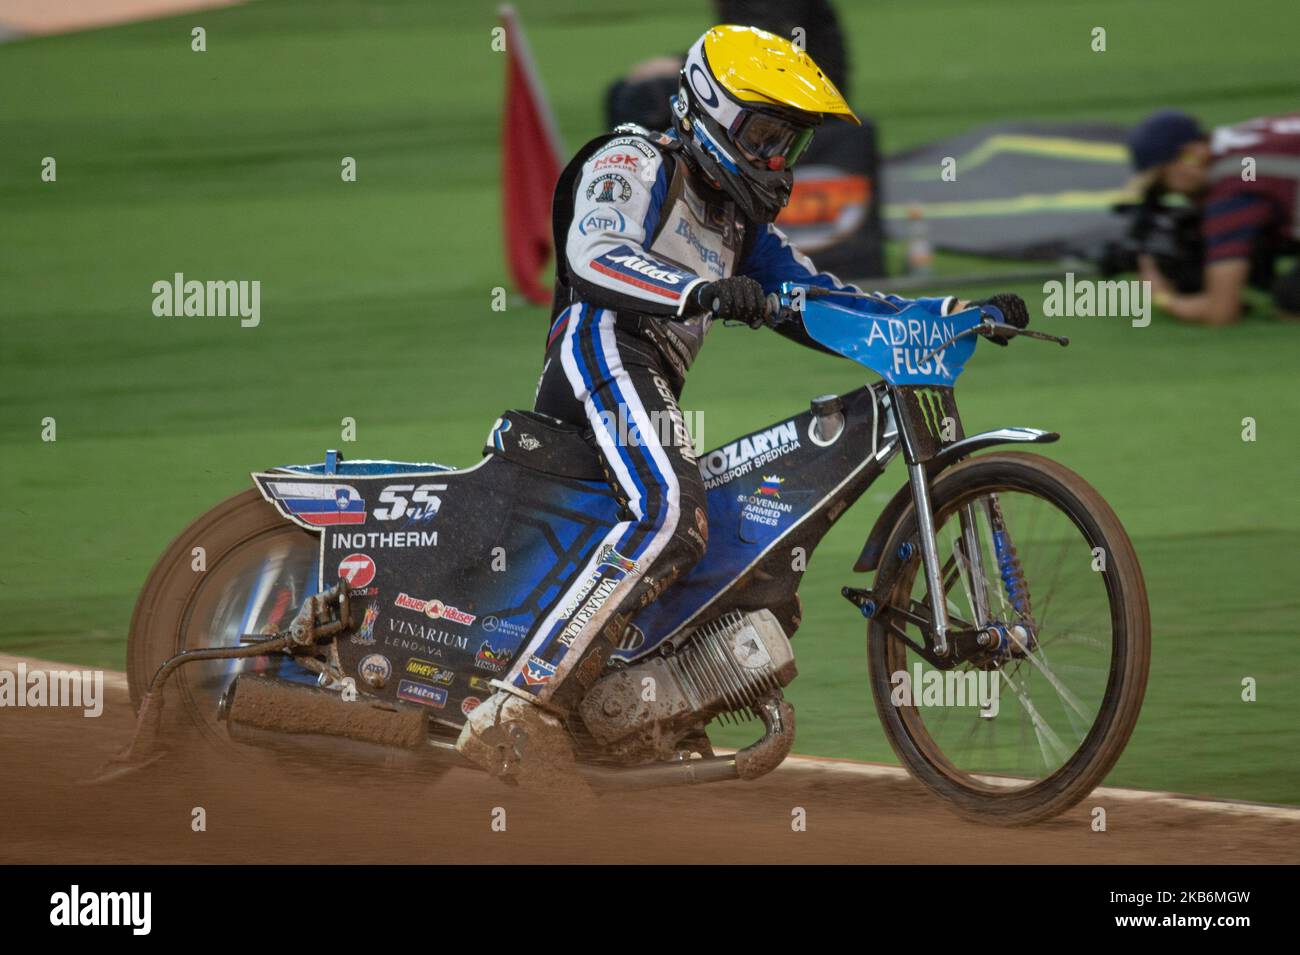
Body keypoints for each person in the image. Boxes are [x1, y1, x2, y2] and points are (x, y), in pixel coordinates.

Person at [457, 24, 1027, 789]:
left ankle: (635, 691)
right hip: (601, 345)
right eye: (761, 133)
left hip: (646, 374)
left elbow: (822, 299)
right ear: (708, 109)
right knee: (670, 509)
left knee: (712, 531)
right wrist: (696, 289)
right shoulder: (631, 158)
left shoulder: (739, 224)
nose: (773, 158)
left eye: (787, 143)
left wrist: (951, 312)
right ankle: (512, 705)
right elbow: (594, 256)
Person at [1127, 109, 1300, 325]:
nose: (1172, 193)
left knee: (1292, 300)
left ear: (1190, 155)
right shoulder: (1240, 139)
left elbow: (1221, 313)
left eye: (1163, 184)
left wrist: (1163, 297)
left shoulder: (1232, 187)